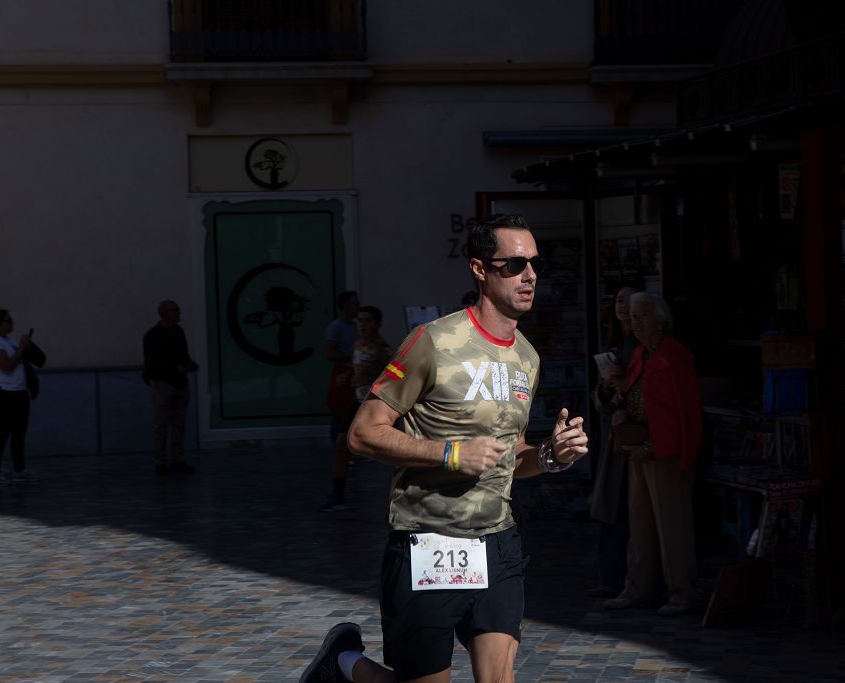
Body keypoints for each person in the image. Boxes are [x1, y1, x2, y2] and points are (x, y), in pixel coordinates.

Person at [300, 214, 590, 683]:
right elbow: (362, 433)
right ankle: (345, 664)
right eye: (515, 263)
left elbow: (511, 457)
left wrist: (551, 456)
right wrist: (450, 454)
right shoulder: (432, 342)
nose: (530, 275)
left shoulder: (527, 357)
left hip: (498, 542)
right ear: (480, 269)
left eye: (535, 263)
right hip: (428, 544)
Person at [604, 292, 703, 617]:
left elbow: (686, 411)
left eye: (643, 316)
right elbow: (632, 393)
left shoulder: (674, 355)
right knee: (641, 523)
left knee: (672, 524)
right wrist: (620, 409)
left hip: (665, 451)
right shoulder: (639, 355)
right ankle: (639, 588)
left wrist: (661, 447)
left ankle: (681, 592)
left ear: (662, 320)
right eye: (633, 316)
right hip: (640, 447)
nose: (637, 322)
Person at [587, 282, 644, 598]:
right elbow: (600, 399)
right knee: (612, 509)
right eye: (620, 300)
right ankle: (610, 577)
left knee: (630, 511)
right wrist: (607, 391)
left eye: (630, 301)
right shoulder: (613, 344)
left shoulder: (642, 347)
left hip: (634, 436)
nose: (623, 307)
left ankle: (625, 579)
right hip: (616, 438)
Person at [320, 304, 393, 512]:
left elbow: (396, 376)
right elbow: (358, 368)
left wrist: (370, 377)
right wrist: (350, 376)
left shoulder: (383, 348)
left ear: (377, 324)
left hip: (377, 403)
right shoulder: (358, 345)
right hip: (359, 401)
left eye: (367, 321)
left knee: (387, 450)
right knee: (341, 445)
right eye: (359, 321)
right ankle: (338, 493)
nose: (362, 325)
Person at [142, 300, 198, 476]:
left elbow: (184, 354)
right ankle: (161, 463)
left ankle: (177, 460)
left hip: (180, 383)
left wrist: (189, 364)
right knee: (161, 425)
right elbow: (152, 363)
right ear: (165, 313)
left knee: (178, 425)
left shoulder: (178, 332)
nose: (179, 313)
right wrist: (175, 368)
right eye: (176, 310)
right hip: (163, 384)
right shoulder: (152, 335)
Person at [0, 309, 38, 486]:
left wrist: (25, 348)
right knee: (2, 433)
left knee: (19, 433)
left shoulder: (9, 341)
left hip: (19, 392)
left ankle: (19, 470)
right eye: (8, 320)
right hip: (4, 393)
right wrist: (21, 349)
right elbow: (6, 365)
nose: (12, 323)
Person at [321, 290, 361, 511]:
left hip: (358, 382)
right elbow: (329, 353)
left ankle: (351, 451)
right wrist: (354, 358)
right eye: (355, 304)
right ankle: (343, 451)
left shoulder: (360, 331)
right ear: (345, 305)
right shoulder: (337, 327)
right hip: (345, 376)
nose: (358, 308)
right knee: (340, 416)